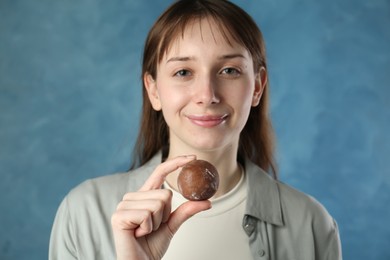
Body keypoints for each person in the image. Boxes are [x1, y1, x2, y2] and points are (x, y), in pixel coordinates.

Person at [49, 0, 342, 259]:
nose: (207, 94)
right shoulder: (84, 212)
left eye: (229, 70)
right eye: (183, 72)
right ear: (153, 90)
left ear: (257, 87)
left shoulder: (311, 223)